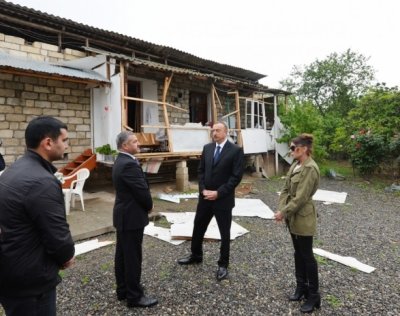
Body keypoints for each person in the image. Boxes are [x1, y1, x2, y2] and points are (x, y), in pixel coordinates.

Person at [0, 116, 75, 316]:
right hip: (30, 281)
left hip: (10, 270)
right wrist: (66, 255)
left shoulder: (13, 170)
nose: (67, 145)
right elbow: (57, 234)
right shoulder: (42, 181)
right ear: (48, 143)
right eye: (65, 140)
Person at [178, 121, 244, 281]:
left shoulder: (235, 151)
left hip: (223, 200)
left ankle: (223, 264)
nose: (214, 133)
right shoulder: (207, 148)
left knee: (224, 232)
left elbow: (236, 177)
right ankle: (196, 255)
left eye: (218, 130)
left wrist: (219, 193)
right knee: (198, 226)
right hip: (205, 198)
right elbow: (200, 171)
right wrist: (202, 189)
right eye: (213, 130)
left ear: (226, 132)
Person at [274, 133, 321, 313]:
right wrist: (282, 211)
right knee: (298, 254)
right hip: (292, 216)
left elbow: (301, 197)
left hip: (303, 217)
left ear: (303, 149)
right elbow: (285, 189)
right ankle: (301, 288)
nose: (291, 151)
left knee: (307, 256)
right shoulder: (296, 165)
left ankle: (314, 295)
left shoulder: (310, 168)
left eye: (293, 148)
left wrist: (283, 212)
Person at [112, 131, 158, 308]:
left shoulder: (121, 160)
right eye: (134, 141)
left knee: (123, 255)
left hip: (124, 215)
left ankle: (123, 290)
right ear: (125, 146)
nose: (138, 143)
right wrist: (149, 205)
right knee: (132, 258)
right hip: (131, 217)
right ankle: (134, 296)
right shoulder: (128, 164)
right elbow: (141, 190)